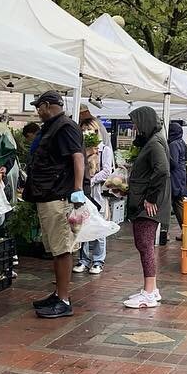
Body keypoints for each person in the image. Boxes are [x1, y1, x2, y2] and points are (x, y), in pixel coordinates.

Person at [25, 91, 86, 319]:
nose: (37, 111)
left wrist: (77, 189)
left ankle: (63, 299)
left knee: (62, 249)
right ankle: (58, 294)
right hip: (48, 195)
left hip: (58, 197)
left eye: (38, 107)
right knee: (56, 248)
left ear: (48, 105)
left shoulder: (65, 127)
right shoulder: (54, 126)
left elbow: (77, 157)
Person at [123, 106, 170, 308]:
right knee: (145, 245)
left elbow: (162, 171)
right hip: (147, 202)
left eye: (136, 123)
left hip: (149, 206)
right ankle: (151, 289)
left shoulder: (155, 143)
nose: (134, 127)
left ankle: (149, 293)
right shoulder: (153, 141)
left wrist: (150, 198)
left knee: (145, 245)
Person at [75, 110, 114, 274]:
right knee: (83, 224)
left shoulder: (104, 150)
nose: (86, 134)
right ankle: (83, 259)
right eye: (83, 131)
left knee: (99, 226)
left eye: (89, 130)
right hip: (84, 193)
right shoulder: (80, 150)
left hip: (97, 193)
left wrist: (90, 180)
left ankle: (98, 260)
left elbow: (107, 170)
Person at [168, 120, 187, 238]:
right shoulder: (182, 142)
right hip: (181, 176)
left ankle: (164, 233)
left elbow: (173, 163)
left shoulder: (173, 144)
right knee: (179, 203)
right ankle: (186, 231)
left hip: (174, 178)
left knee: (171, 204)